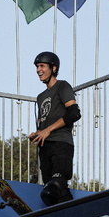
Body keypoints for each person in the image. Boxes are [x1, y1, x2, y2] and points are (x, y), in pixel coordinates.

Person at [29, 51, 81, 206]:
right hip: (45, 148)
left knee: (57, 184)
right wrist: (38, 133)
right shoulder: (40, 97)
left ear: (53, 68)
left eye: (42, 66)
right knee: (50, 195)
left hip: (61, 144)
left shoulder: (62, 86)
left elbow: (74, 113)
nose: (38, 70)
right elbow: (44, 123)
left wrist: (48, 130)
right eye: (37, 66)